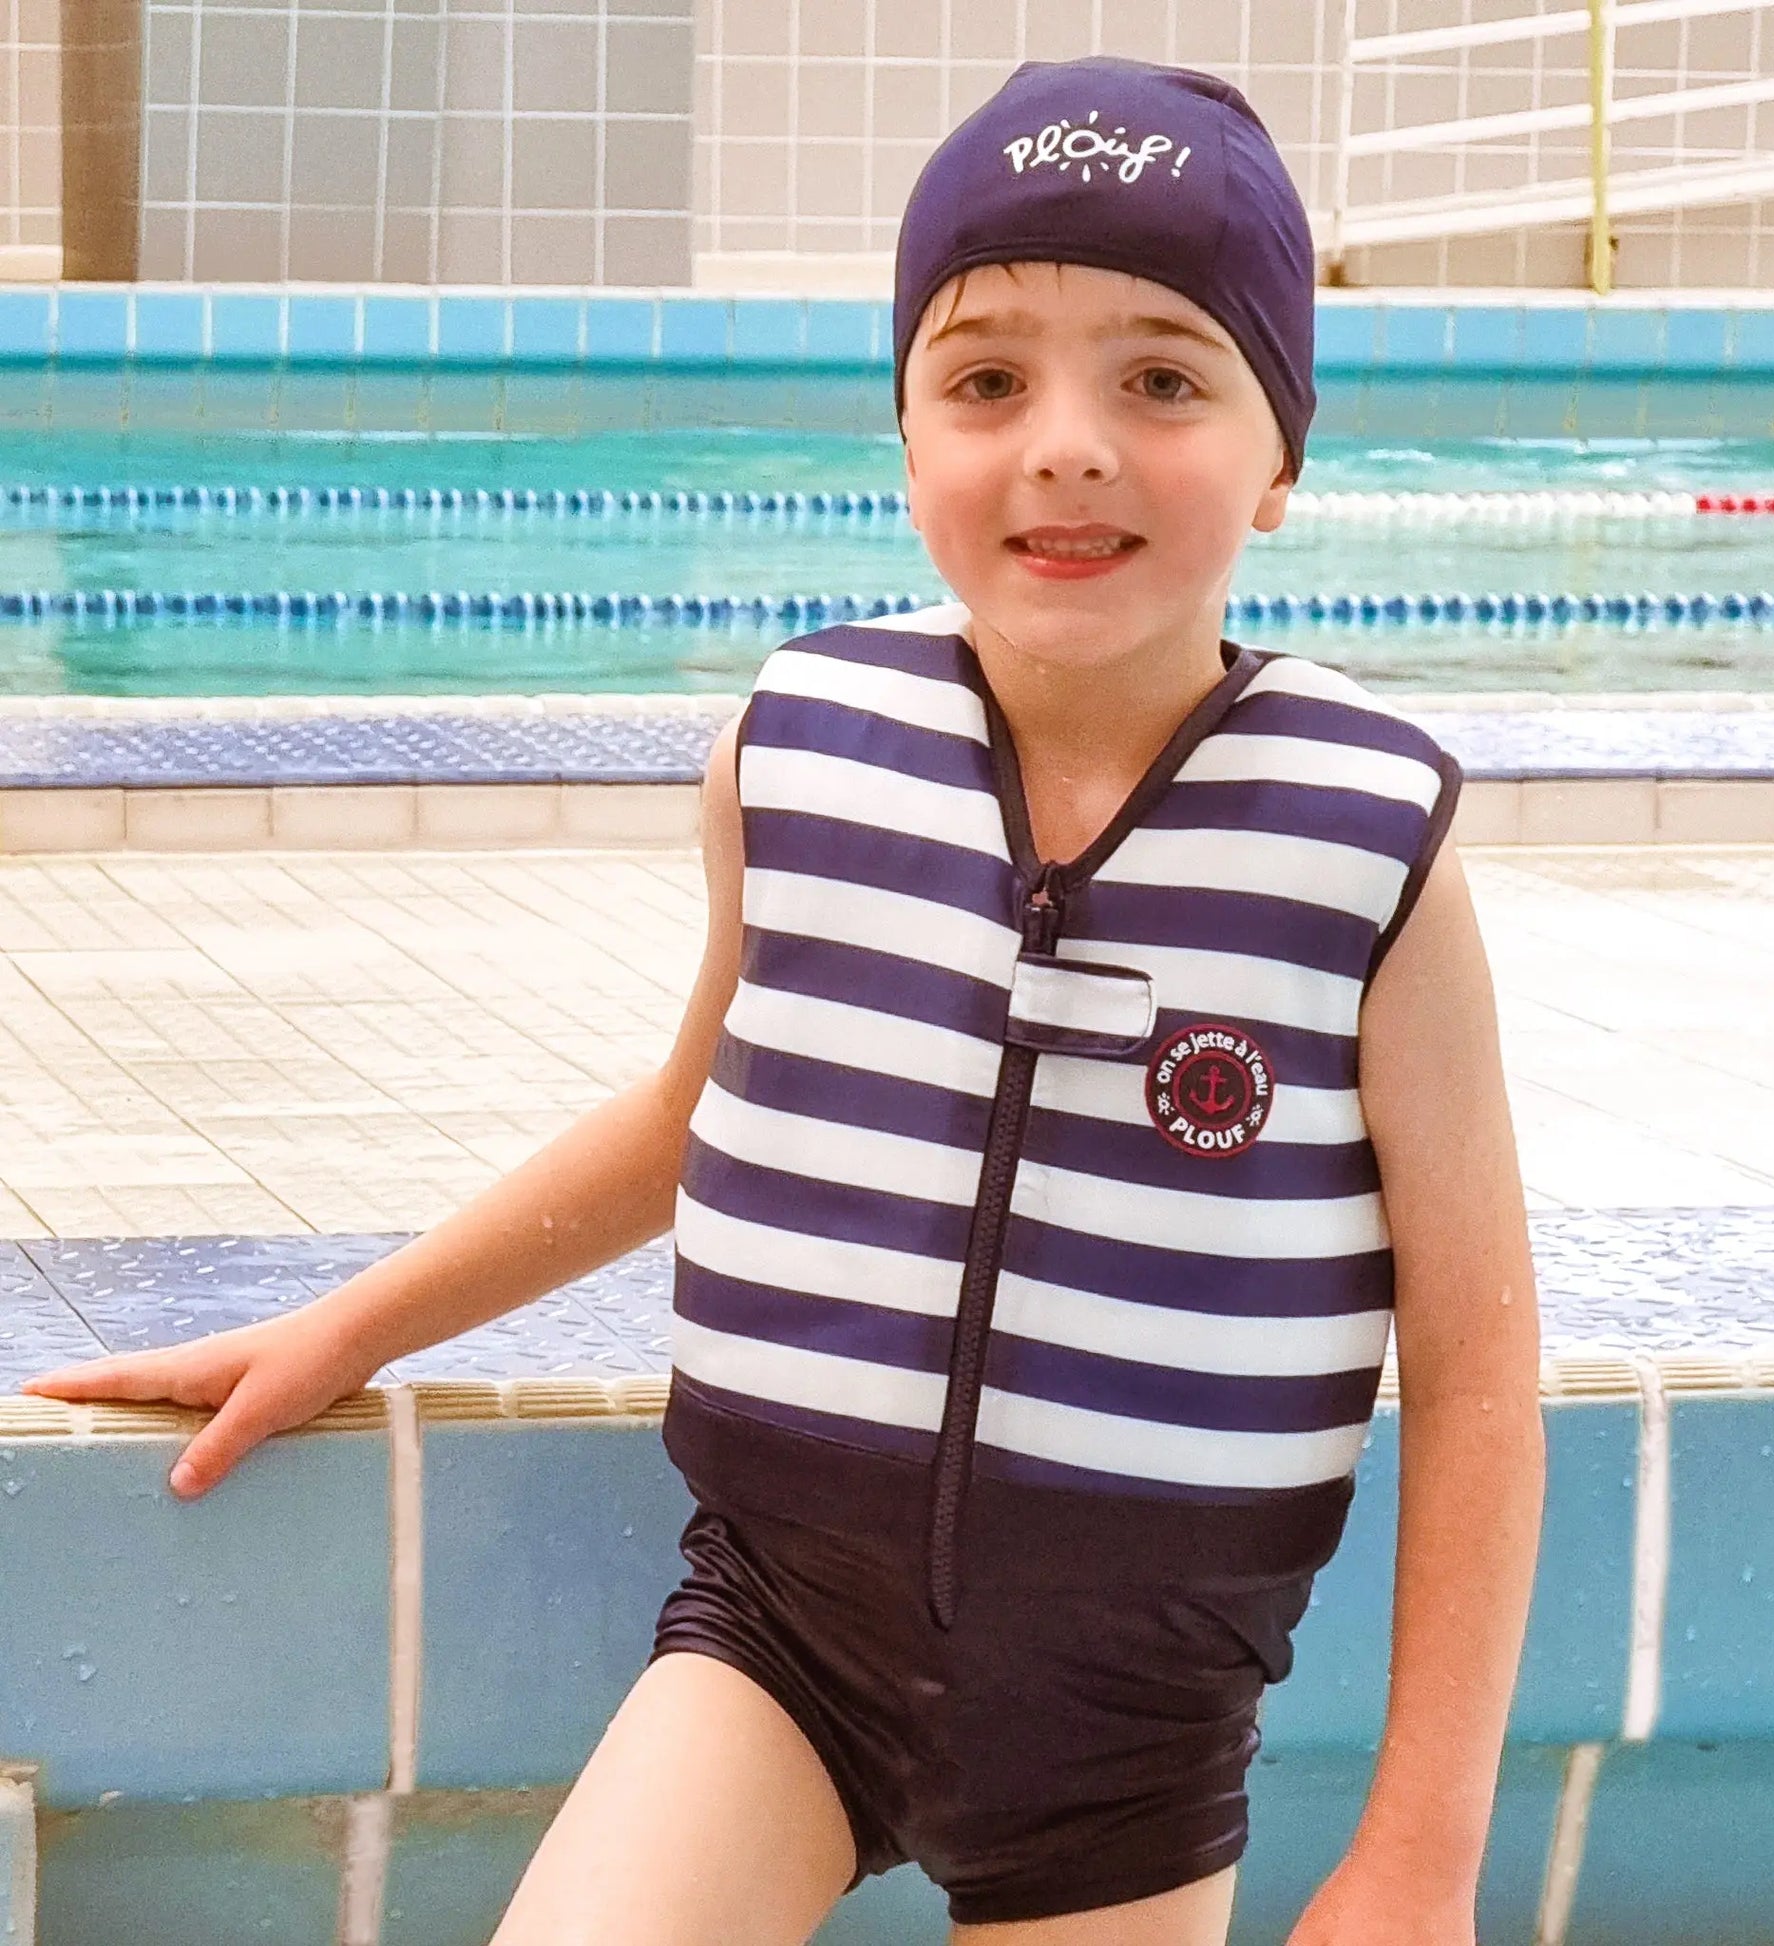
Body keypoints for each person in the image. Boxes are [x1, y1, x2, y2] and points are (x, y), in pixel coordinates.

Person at [24, 56, 1545, 1946]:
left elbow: (1477, 1367)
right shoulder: (803, 750)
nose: (1063, 441)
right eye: (986, 377)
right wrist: (342, 1329)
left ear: (1281, 450)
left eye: (1159, 375)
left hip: (1127, 1731)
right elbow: (688, 1123)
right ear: (905, 435)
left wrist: (1420, 1852)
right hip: (781, 1644)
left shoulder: (1360, 839)